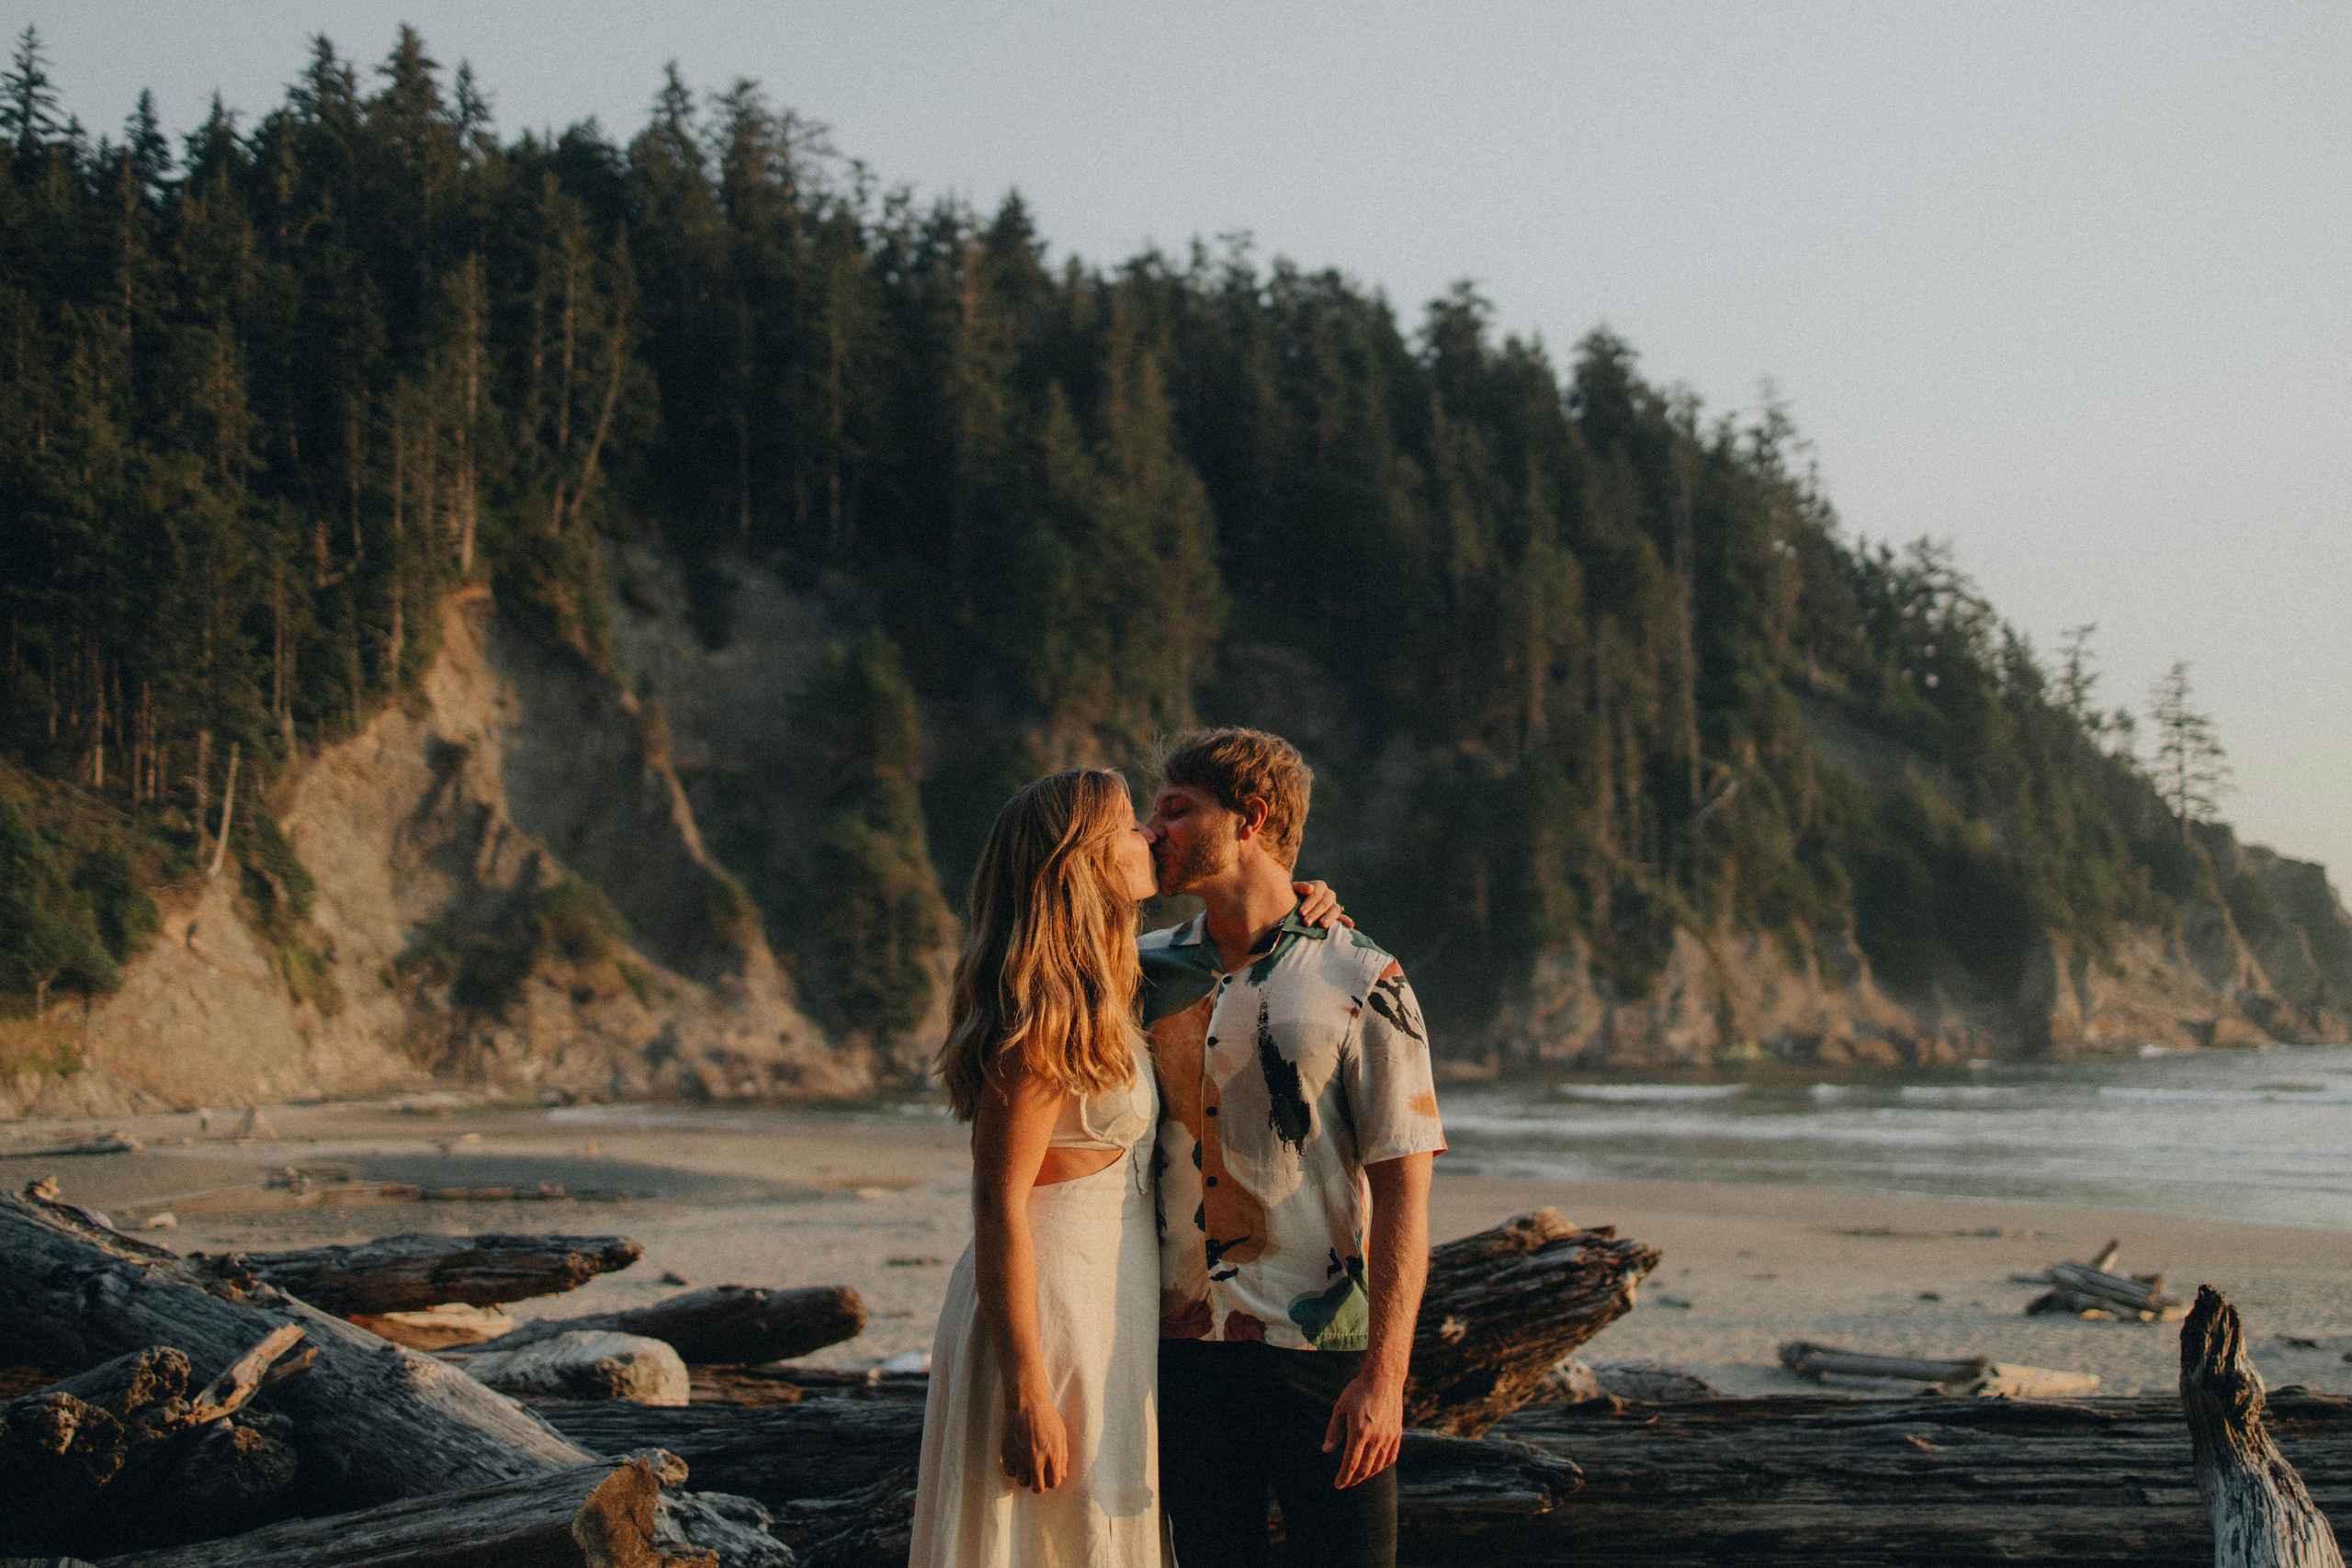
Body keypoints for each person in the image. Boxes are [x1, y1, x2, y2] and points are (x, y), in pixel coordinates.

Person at [910, 768, 1350, 1568]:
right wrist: (1027, 1393)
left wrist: (1299, 900)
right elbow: (996, 1201)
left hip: (1108, 1307)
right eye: (1129, 826)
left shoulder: (1115, 981)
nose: (1150, 833)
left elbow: (1237, 945)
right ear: (1081, 860)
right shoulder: (1044, 1006)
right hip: (1046, 1318)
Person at [1141, 728, 1446, 1568]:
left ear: (1252, 818)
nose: (1152, 829)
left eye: (1176, 810)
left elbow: (1406, 1193)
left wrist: (1386, 1379)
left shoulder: (1363, 977)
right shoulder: (1139, 972)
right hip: (1182, 1352)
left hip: (1325, 1356)